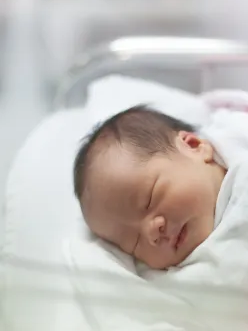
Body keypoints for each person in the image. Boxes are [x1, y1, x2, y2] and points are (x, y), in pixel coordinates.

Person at [73, 105, 226, 270]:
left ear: (193, 146)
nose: (152, 232)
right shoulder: (182, 280)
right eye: (135, 243)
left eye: (150, 199)